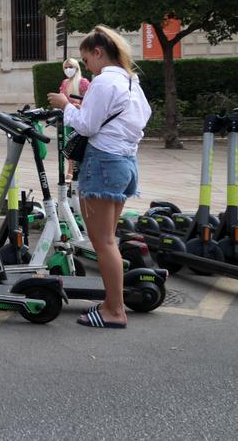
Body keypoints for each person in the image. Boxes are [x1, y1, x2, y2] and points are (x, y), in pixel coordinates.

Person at [47, 26, 151, 330]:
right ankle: (110, 303)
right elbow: (143, 116)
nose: (86, 66)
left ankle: (115, 310)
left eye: (86, 59)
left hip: (103, 163)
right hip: (125, 161)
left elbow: (87, 126)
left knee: (103, 242)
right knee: (109, 240)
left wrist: (66, 105)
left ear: (98, 52)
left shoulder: (105, 81)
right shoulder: (132, 80)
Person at [58, 57, 90, 178]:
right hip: (68, 118)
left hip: (80, 118)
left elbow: (90, 101)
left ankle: (77, 170)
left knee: (80, 145)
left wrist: (79, 105)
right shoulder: (64, 83)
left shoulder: (83, 82)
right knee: (69, 144)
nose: (68, 69)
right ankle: (70, 171)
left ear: (76, 68)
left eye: (70, 67)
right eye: (65, 67)